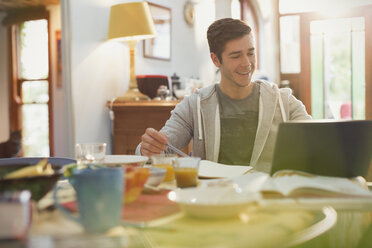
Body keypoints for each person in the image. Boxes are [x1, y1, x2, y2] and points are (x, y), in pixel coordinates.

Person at [136, 18, 311, 173]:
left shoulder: (284, 101)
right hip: (214, 201)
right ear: (215, 60)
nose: (246, 64)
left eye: (250, 53)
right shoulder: (194, 105)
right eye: (236, 56)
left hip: (267, 202)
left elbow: (318, 140)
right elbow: (157, 150)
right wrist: (147, 149)